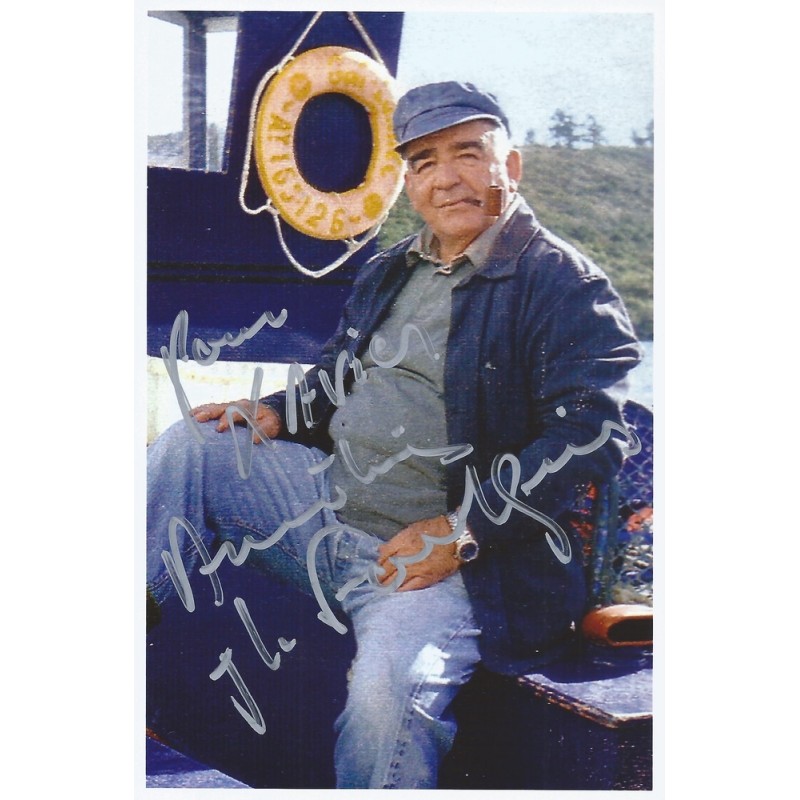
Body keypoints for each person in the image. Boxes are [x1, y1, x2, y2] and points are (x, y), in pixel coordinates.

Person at [147, 81, 642, 789]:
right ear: (408, 180)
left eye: (467, 154)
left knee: (386, 700)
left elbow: (591, 438)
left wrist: (461, 531)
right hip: (325, 516)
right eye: (424, 161)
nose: (446, 178)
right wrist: (280, 412)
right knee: (193, 447)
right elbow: (341, 377)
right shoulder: (391, 269)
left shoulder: (566, 286)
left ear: (511, 166)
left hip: (454, 567)